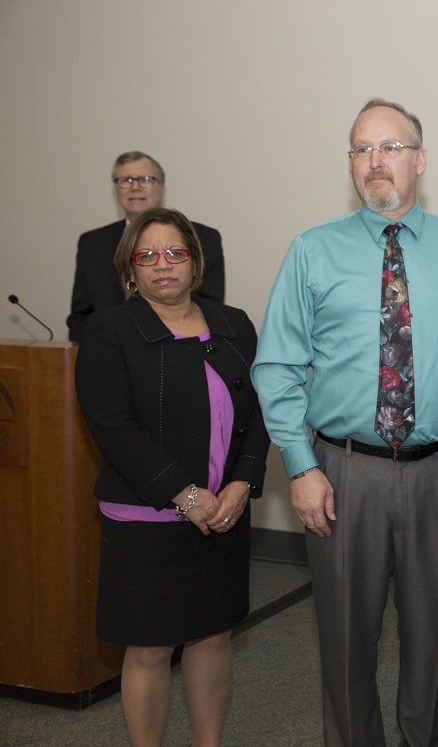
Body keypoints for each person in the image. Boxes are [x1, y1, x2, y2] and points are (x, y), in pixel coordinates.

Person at [251, 99, 438, 747]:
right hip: (341, 474)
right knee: (347, 644)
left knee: (431, 639)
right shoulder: (312, 251)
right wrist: (299, 467)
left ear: (420, 158)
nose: (375, 162)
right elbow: (275, 367)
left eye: (390, 147)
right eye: (362, 149)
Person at [74, 207, 268, 747]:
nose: (164, 265)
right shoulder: (110, 329)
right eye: (148, 256)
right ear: (130, 269)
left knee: (213, 634)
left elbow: (260, 413)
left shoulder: (233, 324)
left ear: (194, 262)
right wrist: (186, 496)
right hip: (148, 515)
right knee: (151, 646)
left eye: (176, 253)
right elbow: (113, 427)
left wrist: (241, 484)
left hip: (223, 513)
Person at [68, 152, 225, 342]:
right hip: (107, 349)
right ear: (115, 189)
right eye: (126, 180)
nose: (135, 187)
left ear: (162, 187)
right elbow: (80, 316)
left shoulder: (202, 237)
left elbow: (210, 307)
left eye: (145, 179)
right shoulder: (92, 242)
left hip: (179, 346)